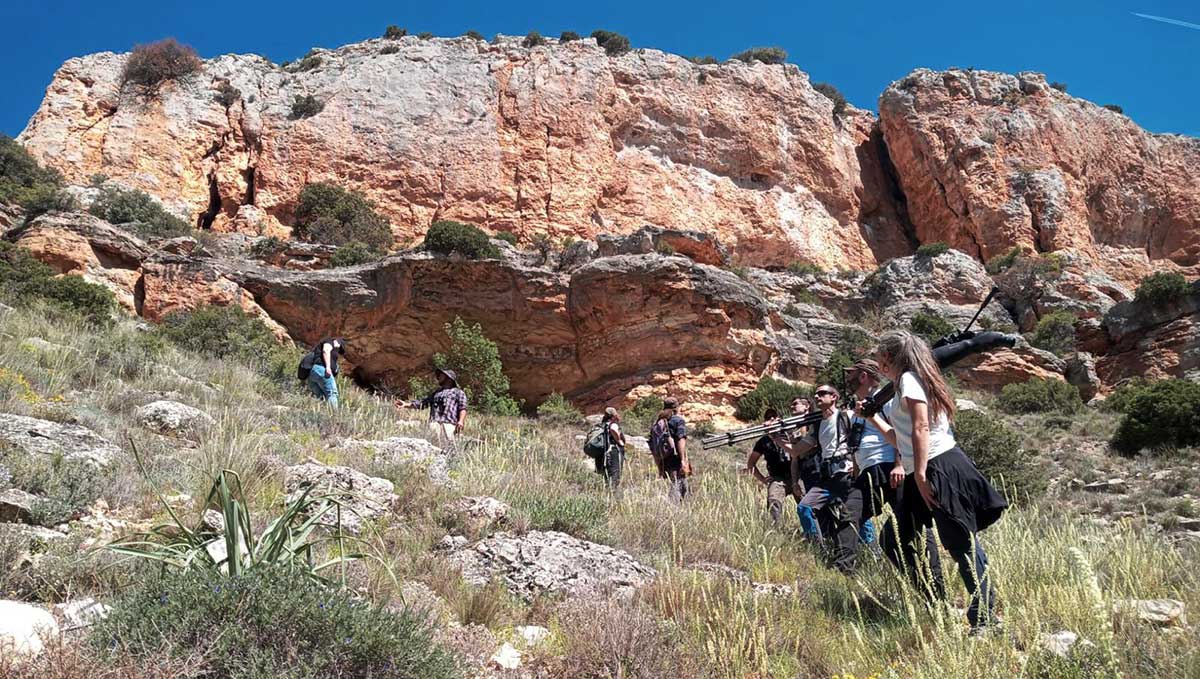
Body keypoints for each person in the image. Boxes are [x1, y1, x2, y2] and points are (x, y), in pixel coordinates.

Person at [865, 330, 1008, 632]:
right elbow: (901, 438)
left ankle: (985, 616)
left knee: (960, 541)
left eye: (878, 357)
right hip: (925, 464)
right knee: (894, 539)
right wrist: (871, 418)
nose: (877, 362)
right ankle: (935, 600)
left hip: (938, 466)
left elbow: (921, 427)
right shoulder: (903, 383)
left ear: (889, 357)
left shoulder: (909, 379)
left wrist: (918, 474)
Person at [845, 359, 943, 592]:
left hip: (892, 470)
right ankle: (844, 569)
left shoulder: (884, 399)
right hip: (869, 471)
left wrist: (899, 464)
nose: (847, 378)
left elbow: (903, 430)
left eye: (852, 374)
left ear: (862, 377)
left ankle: (932, 582)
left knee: (912, 526)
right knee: (849, 512)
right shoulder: (862, 405)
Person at [781, 384, 865, 574]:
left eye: (822, 393)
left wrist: (857, 466)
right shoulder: (818, 425)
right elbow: (795, 451)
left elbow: (861, 441)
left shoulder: (846, 416)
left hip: (847, 473)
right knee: (805, 507)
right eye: (816, 394)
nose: (817, 396)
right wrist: (775, 436)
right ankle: (818, 548)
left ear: (834, 397)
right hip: (827, 477)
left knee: (857, 515)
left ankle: (872, 551)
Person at [745, 408, 793, 525]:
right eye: (768, 418)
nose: (771, 420)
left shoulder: (789, 435)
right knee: (773, 503)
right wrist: (763, 479)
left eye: (773, 417)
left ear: (779, 419)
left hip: (796, 476)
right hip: (777, 478)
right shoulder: (763, 442)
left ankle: (814, 535)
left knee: (806, 505)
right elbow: (751, 464)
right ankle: (776, 532)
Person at [401, 368, 468, 442]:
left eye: (441, 376)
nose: (439, 377)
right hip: (434, 424)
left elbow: (462, 408)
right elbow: (423, 403)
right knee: (433, 444)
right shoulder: (436, 393)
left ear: (448, 378)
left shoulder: (458, 392)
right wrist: (406, 404)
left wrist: (461, 421)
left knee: (449, 445)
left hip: (449, 425)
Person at [649, 397, 690, 502]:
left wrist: (659, 465)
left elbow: (653, 446)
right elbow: (680, 440)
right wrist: (682, 460)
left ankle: (682, 508)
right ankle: (673, 510)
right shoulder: (678, 420)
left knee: (680, 484)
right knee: (677, 484)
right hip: (675, 457)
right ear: (676, 407)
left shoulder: (658, 422)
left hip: (664, 458)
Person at [301, 337, 347, 407]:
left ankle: (323, 415)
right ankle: (333, 416)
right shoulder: (329, 341)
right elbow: (326, 351)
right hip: (321, 370)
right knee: (332, 393)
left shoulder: (327, 347)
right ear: (337, 341)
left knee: (322, 397)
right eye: (340, 346)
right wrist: (328, 367)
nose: (339, 349)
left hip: (313, 374)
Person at [600, 407, 626, 493]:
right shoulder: (612, 424)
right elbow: (613, 429)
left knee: (608, 474)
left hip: (606, 452)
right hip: (614, 451)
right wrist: (619, 441)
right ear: (613, 415)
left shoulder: (604, 424)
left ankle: (607, 492)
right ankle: (613, 494)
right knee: (616, 474)